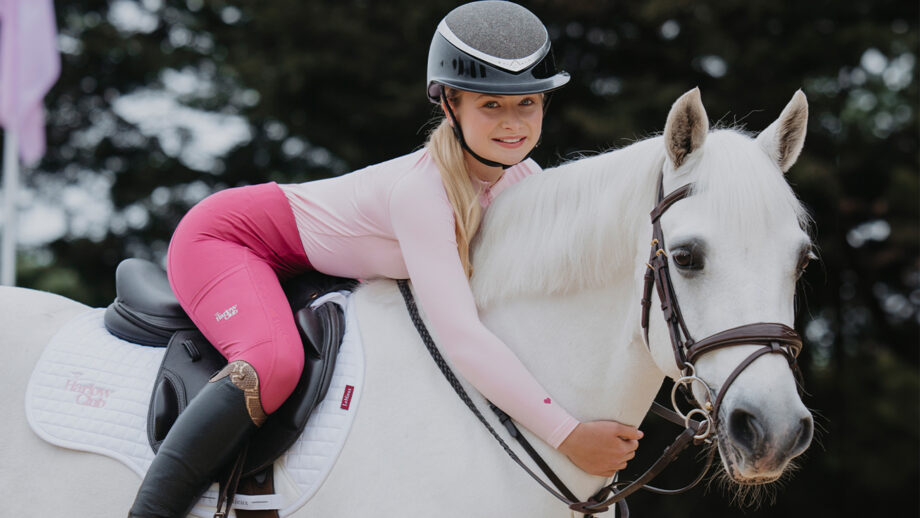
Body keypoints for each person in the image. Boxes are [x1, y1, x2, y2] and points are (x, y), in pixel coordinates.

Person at [128, 2, 642, 516]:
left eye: (527, 103)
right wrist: (567, 434)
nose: (513, 124)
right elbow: (461, 336)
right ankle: (154, 509)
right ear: (450, 107)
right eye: (491, 106)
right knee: (274, 363)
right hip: (225, 240)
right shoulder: (423, 192)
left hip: (301, 260)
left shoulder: (523, 179)